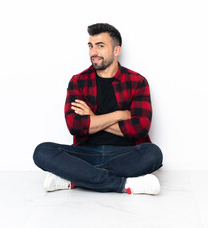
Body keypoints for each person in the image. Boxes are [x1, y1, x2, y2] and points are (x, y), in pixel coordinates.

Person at [33, 23, 163, 195]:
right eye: (91, 46)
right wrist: (118, 115)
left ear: (116, 51)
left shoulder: (137, 81)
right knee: (42, 151)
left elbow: (139, 128)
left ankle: (74, 178)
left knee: (153, 153)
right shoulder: (78, 81)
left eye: (100, 46)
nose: (93, 52)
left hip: (125, 154)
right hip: (85, 153)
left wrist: (93, 118)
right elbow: (75, 126)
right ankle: (123, 185)